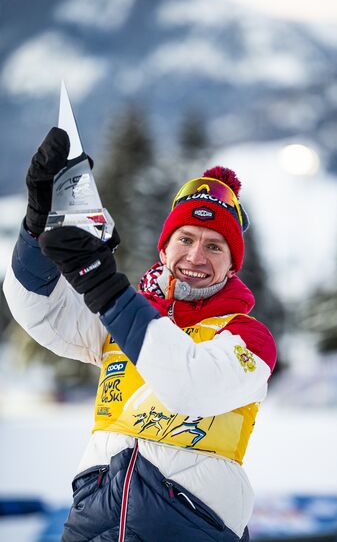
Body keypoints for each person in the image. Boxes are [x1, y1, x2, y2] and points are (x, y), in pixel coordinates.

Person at [4, 128, 276, 541]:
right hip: (95, 521)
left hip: (191, 526)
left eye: (215, 247)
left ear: (233, 265)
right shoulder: (123, 312)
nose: (195, 257)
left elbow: (191, 386)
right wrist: (37, 223)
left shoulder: (247, 338)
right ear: (164, 249)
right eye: (184, 239)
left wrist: (105, 287)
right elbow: (37, 310)